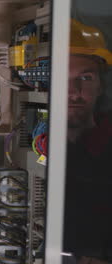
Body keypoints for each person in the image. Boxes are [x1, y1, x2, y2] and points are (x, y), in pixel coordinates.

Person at [63, 19, 112, 264]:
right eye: (61, 76)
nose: (72, 91)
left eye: (85, 78)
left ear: (101, 85)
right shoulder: (31, 148)